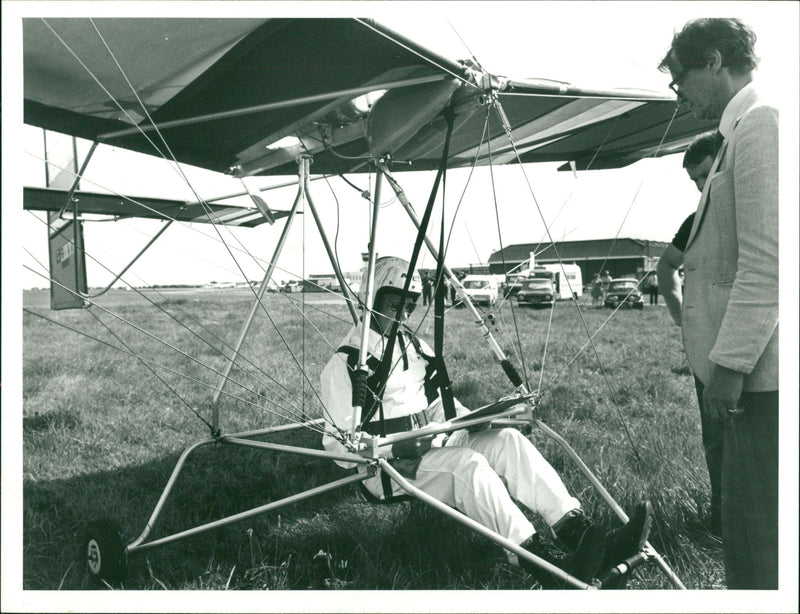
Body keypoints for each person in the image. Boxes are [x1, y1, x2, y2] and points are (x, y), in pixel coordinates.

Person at [321, 256, 652, 588]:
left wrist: (487, 418)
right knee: (469, 465)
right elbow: (339, 448)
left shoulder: (415, 347)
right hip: (389, 469)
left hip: (433, 443)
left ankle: (583, 537)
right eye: (396, 304)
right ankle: (546, 566)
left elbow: (440, 408)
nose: (406, 314)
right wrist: (394, 448)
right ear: (372, 298)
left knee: (509, 441)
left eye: (410, 304)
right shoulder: (347, 363)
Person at [659, 18, 778, 589]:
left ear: (712, 60)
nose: (679, 93)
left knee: (760, 548)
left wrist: (726, 373)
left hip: (757, 384)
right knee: (747, 539)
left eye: (679, 77)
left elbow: (768, 265)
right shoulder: (740, 133)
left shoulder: (762, 126)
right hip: (746, 381)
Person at [656, 131, 724, 537]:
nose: (701, 187)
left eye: (705, 175)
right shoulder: (695, 221)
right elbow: (666, 267)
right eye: (695, 181)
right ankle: (722, 520)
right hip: (711, 350)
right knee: (716, 439)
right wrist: (684, 318)